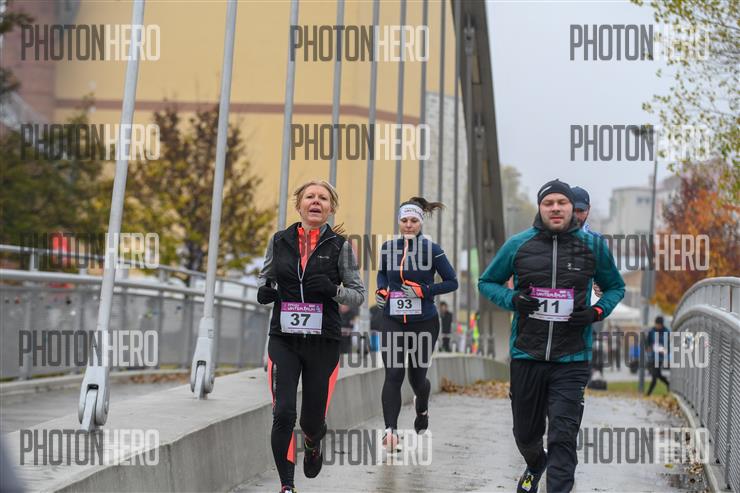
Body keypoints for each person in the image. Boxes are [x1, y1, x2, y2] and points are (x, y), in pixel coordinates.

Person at [478, 179, 625, 493]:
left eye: (562, 203)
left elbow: (616, 287)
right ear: (540, 208)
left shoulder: (593, 246)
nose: (556, 208)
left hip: (572, 358)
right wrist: (513, 299)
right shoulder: (518, 244)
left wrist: (596, 312)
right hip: (526, 355)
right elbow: (486, 282)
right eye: (549, 203)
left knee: (563, 436)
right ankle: (535, 463)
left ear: (573, 209)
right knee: (525, 435)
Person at [257, 179, 365, 493]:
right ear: (299, 205)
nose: (316, 201)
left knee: (311, 421)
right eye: (310, 197)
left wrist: (333, 290)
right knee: (283, 412)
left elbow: (358, 295)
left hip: (323, 341)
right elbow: (266, 278)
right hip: (284, 338)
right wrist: (265, 291)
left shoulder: (340, 246)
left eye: (323, 198)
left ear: (331, 208)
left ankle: (313, 441)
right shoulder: (279, 240)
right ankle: (287, 486)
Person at [375, 197, 458, 450]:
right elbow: (382, 274)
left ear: (420, 222)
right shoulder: (388, 248)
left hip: (424, 322)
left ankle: (422, 408)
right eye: (404, 220)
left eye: (413, 220)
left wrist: (424, 290)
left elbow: (452, 282)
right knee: (393, 373)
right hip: (392, 319)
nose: (408, 225)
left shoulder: (432, 250)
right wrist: (381, 290)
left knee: (417, 377)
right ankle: (390, 431)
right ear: (399, 222)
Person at [645, 316, 671, 395]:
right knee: (657, 374)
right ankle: (668, 384)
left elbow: (668, 345)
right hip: (652, 356)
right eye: (656, 324)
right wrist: (648, 347)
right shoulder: (651, 331)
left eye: (659, 324)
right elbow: (648, 342)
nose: (657, 326)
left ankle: (648, 393)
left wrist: (665, 351)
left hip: (660, 357)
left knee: (655, 375)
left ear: (662, 324)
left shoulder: (666, 332)